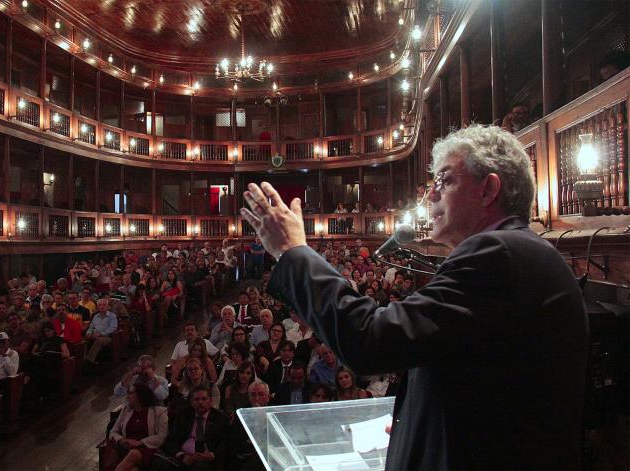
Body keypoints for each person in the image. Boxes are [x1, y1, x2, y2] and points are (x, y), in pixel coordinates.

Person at [240, 125, 588, 470]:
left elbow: (370, 339)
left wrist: (293, 252)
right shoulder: (511, 253)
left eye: (445, 181)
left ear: (488, 190)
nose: (429, 196)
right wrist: (418, 429)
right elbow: (484, 390)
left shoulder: (499, 253)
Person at [151, 385, 229, 471]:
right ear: (191, 402)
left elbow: (225, 443)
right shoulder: (183, 415)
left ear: (210, 401)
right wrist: (181, 455)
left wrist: (212, 455)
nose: (200, 402)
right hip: (182, 457)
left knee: (200, 468)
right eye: (196, 399)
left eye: (204, 399)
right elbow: (171, 439)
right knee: (159, 464)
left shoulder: (220, 418)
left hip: (205, 459)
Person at [108, 384, 168, 471]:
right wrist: (121, 440)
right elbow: (113, 432)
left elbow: (162, 436)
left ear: (140, 395)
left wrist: (140, 442)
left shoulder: (159, 412)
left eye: (131, 393)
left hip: (148, 448)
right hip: (126, 448)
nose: (127, 396)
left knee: (134, 453)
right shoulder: (126, 410)